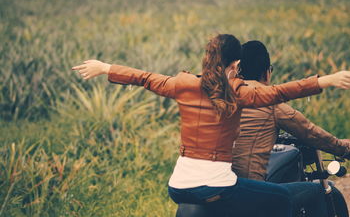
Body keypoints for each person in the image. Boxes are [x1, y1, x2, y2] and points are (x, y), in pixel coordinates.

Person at [72, 34, 350, 217]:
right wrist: (325, 80)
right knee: (292, 197)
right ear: (235, 65)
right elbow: (278, 92)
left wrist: (105, 67)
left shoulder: (184, 84)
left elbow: (145, 77)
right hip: (217, 187)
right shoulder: (239, 93)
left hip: (177, 187)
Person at [232, 40, 350, 181]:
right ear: (266, 73)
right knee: (304, 193)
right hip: (250, 188)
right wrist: (343, 148)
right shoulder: (270, 102)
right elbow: (309, 132)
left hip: (214, 184)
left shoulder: (221, 94)